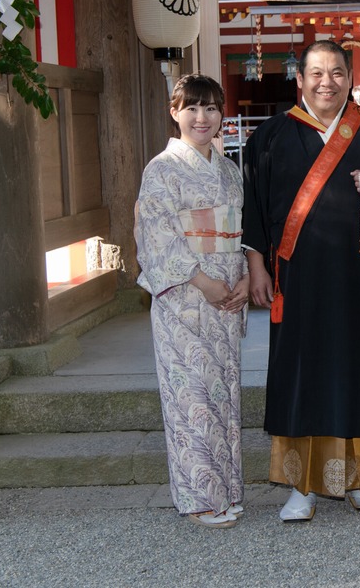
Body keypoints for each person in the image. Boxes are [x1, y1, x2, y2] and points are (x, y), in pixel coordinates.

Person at [242, 40, 360, 522]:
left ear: (350, 78)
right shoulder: (271, 136)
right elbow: (253, 209)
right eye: (316, 73)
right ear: (299, 79)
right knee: (302, 373)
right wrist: (257, 266)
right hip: (299, 279)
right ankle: (302, 485)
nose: (326, 82)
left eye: (337, 72)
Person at [135, 73, 249, 529]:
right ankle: (199, 496)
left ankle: (227, 489)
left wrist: (239, 277)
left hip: (225, 292)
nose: (202, 117)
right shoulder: (161, 169)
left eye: (211, 108)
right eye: (192, 108)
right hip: (185, 294)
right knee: (191, 396)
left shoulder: (228, 168)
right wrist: (203, 281)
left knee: (223, 393)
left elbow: (238, 232)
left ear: (222, 114)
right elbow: (156, 235)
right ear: (174, 111)